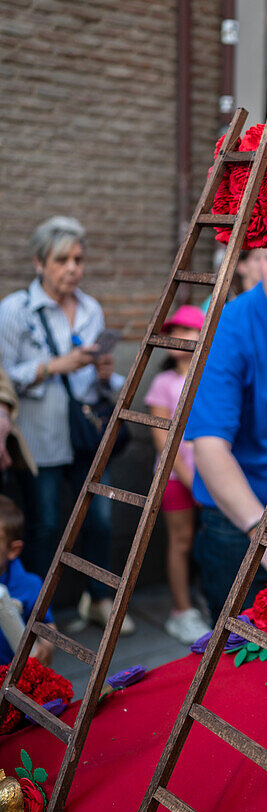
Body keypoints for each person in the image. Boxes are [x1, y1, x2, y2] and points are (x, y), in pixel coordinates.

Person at [0, 217, 134, 635]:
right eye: (62, 259)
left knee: (99, 521)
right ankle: (41, 616)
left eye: (78, 259)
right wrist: (54, 365)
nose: (73, 268)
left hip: (87, 432)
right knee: (44, 524)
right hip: (41, 435)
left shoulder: (90, 308)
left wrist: (104, 372)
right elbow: (5, 373)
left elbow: (98, 381)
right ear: (39, 262)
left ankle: (98, 600)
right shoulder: (15, 311)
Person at [185, 248, 267, 622]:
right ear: (254, 262)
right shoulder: (231, 325)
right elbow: (210, 448)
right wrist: (258, 531)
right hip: (241, 521)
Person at [144, 304, 209, 645]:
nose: (177, 338)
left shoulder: (212, 376)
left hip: (213, 477)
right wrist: (192, 482)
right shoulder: (163, 382)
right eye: (174, 331)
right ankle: (181, 612)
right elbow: (164, 443)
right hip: (176, 479)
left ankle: (204, 602)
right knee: (181, 542)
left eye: (187, 330)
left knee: (208, 541)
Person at [0, 495, 55, 666]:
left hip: (13, 677)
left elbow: (47, 627)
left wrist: (44, 650)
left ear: (13, 550)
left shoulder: (29, 585)